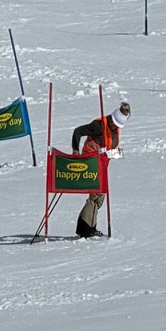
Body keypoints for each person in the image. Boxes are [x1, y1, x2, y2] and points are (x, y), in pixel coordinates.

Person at [71, 100, 131, 237]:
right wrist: (75, 150)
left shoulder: (115, 130)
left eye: (118, 126)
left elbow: (110, 146)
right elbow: (78, 131)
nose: (116, 127)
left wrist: (113, 153)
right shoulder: (98, 126)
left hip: (102, 164)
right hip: (90, 162)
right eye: (114, 124)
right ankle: (86, 229)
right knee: (95, 195)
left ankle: (88, 227)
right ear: (111, 119)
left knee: (100, 196)